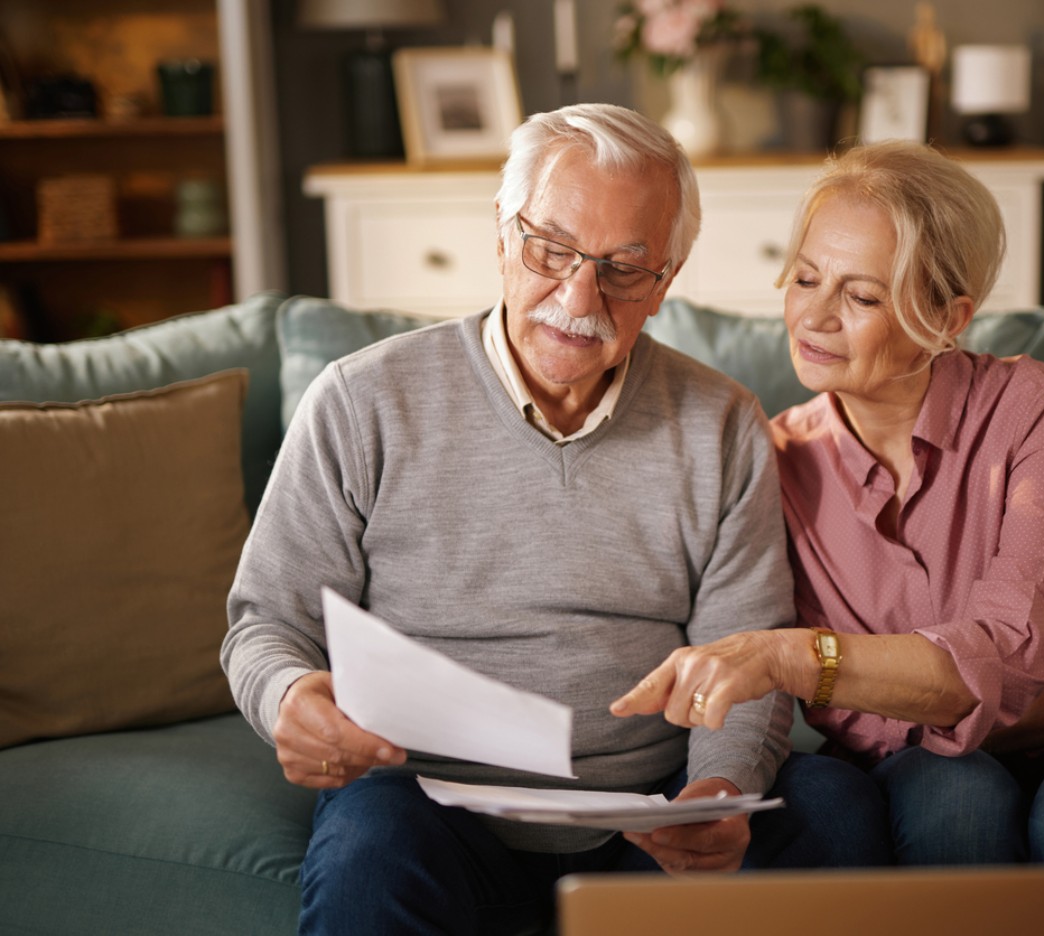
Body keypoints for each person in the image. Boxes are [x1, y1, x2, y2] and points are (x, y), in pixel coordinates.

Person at [222, 104, 889, 936]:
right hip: (429, 805)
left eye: (623, 269)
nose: (578, 296)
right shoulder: (362, 401)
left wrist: (717, 792)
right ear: (503, 236)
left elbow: (743, 657)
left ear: (665, 282)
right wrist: (288, 697)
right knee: (369, 843)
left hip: (648, 821)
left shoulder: (721, 423)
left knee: (833, 806)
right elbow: (266, 621)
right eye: (551, 249)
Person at [612, 140, 1044, 936]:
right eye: (806, 278)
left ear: (949, 319)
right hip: (1019, 732)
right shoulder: (773, 463)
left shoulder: (1038, 410)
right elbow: (862, 723)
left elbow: (1011, 649)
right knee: (954, 801)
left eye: (861, 295)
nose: (814, 316)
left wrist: (831, 667)